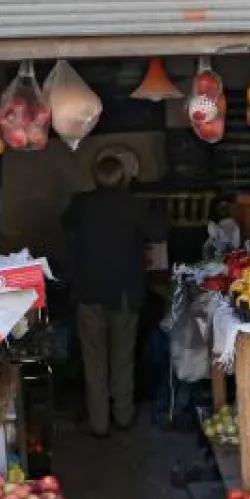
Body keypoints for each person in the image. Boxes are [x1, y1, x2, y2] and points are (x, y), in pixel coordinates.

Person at [62, 154, 166, 437]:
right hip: (123, 293)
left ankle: (99, 423)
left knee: (94, 359)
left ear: (95, 178)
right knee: (123, 357)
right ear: (123, 179)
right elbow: (158, 233)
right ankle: (123, 416)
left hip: (89, 292)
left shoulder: (81, 204)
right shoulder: (135, 206)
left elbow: (66, 226)